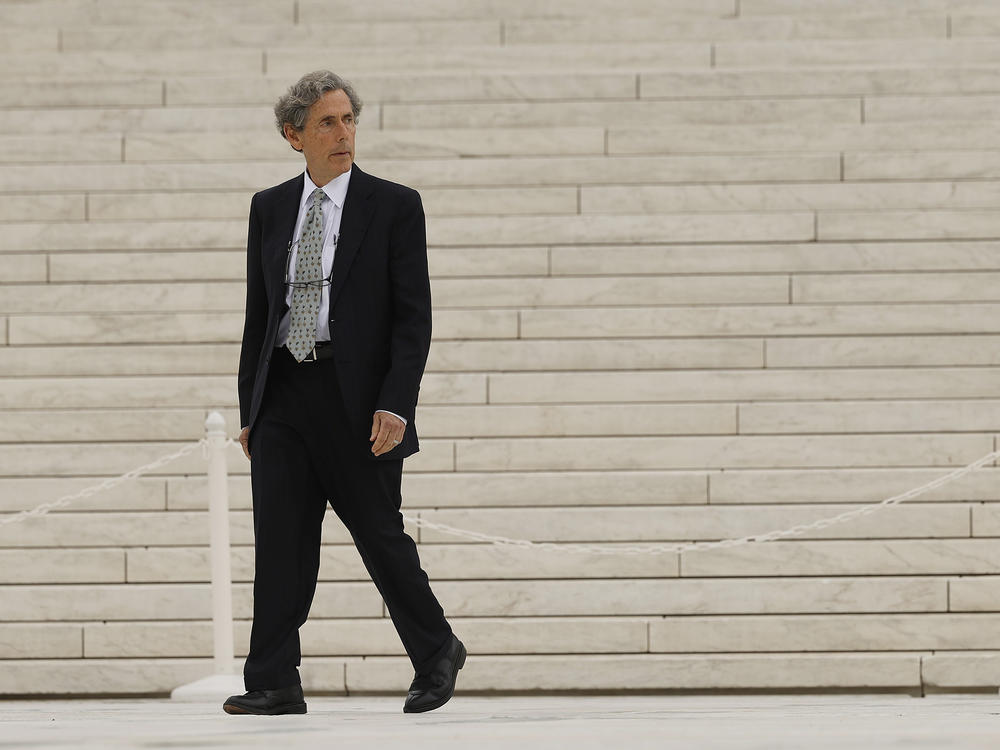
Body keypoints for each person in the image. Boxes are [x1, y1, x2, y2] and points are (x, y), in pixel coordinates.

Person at [224, 70, 465, 716]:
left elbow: (415, 318)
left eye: (349, 120)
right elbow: (259, 314)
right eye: (327, 123)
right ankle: (273, 677)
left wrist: (396, 402)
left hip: (358, 399)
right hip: (284, 393)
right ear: (292, 134)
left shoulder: (394, 206)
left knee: (379, 535)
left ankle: (437, 649)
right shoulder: (269, 208)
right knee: (279, 541)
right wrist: (253, 408)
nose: (343, 134)